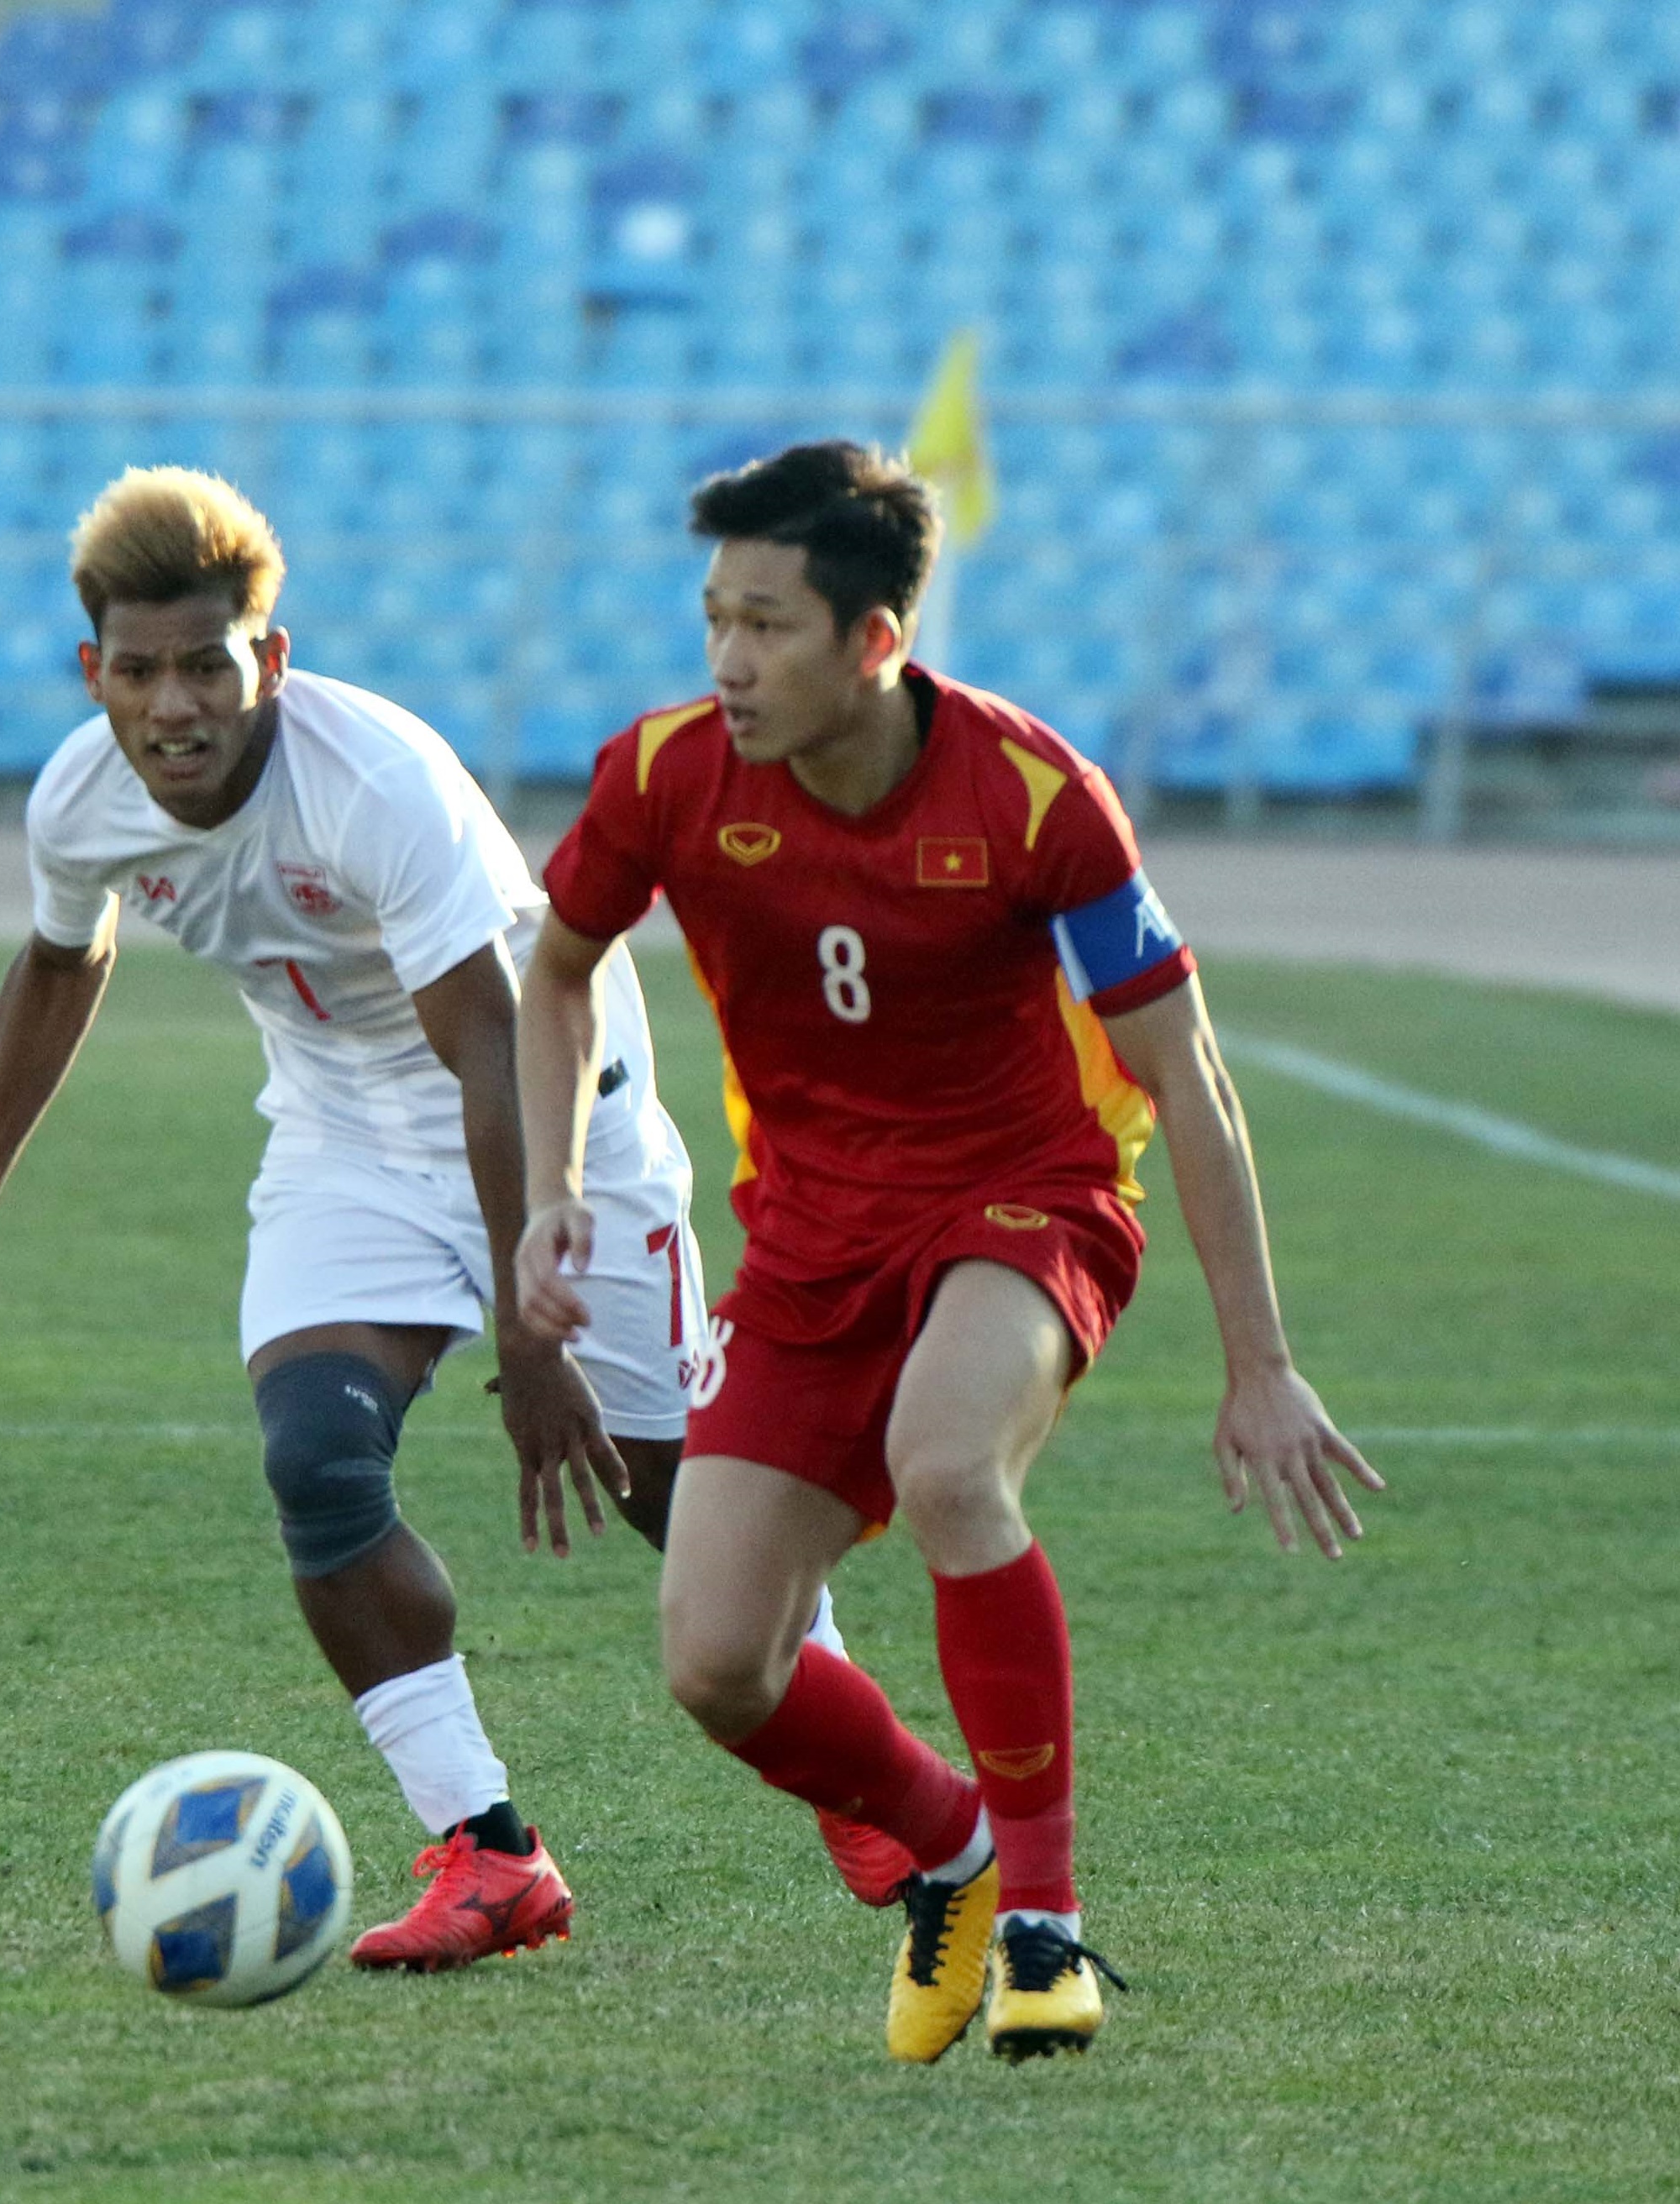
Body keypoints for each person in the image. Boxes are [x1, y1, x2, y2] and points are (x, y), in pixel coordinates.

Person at [0, 467, 852, 1974]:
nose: (171, 706)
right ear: (92, 674)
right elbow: (65, 961)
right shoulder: (79, 796)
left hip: (550, 1103)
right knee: (319, 1459)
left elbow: (490, 1038)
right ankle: (488, 1852)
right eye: (137, 672)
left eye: (206, 664)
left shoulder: (375, 779)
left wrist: (533, 1329)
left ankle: (870, 1787)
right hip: (343, 1137)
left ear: (272, 658)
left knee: (682, 1507)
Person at [511, 441, 1383, 2060]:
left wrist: (1260, 1364)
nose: (728, 662)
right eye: (714, 618)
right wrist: (550, 1184)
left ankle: (1048, 1930)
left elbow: (1186, 1072)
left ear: (875, 641)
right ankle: (960, 1855)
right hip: (812, 1239)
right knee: (716, 1664)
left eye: (767, 625)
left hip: (1025, 1200)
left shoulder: (1032, 796)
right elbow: (556, 970)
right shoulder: (663, 777)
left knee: (946, 1464)